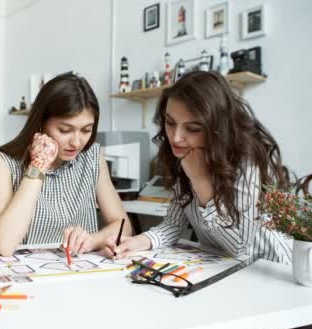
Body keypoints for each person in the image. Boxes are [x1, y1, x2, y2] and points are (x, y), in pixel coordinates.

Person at [105, 71, 292, 264]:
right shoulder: (184, 155)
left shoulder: (246, 161)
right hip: (222, 265)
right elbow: (174, 224)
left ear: (217, 128)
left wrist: (201, 181)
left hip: (271, 267)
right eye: (170, 123)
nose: (176, 138)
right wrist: (139, 241)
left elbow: (238, 247)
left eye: (193, 129)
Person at [0, 72, 132, 256]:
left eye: (86, 130)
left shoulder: (92, 156)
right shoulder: (0, 162)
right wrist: (38, 165)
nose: (77, 142)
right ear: (41, 123)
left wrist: (92, 240)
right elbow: (4, 245)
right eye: (65, 130)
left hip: (76, 270)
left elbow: (123, 227)